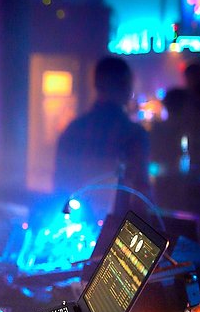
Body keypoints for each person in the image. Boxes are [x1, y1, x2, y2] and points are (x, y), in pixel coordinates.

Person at [53, 56, 151, 217]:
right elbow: (141, 193)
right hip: (117, 224)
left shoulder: (74, 129)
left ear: (96, 85)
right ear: (125, 86)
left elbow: (60, 182)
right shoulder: (133, 134)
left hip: (77, 222)